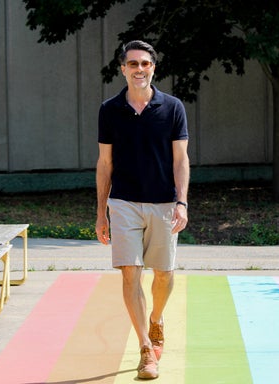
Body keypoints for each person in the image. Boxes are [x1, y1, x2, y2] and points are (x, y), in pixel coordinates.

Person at [95, 40, 189, 380]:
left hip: (164, 203)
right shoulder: (109, 110)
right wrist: (100, 212)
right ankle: (146, 349)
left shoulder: (173, 107)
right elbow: (105, 164)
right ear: (122, 69)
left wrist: (182, 202)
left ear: (153, 68)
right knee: (130, 273)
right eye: (132, 64)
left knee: (163, 274)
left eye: (145, 64)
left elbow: (181, 160)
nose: (139, 69)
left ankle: (156, 318)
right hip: (123, 203)